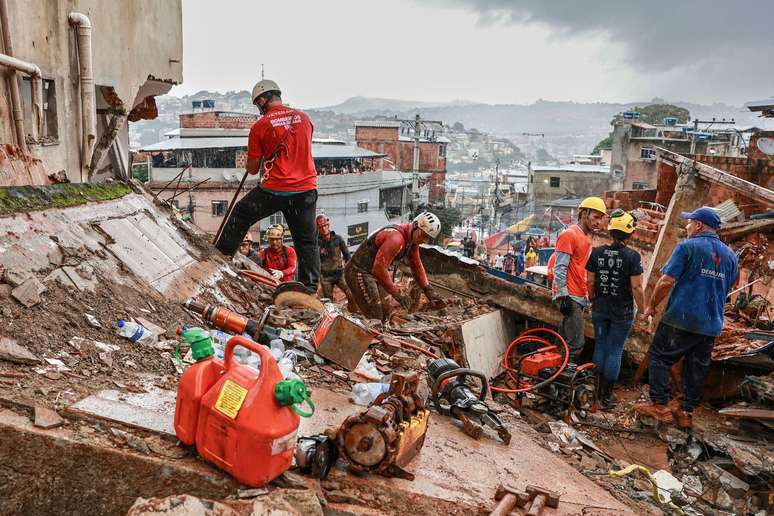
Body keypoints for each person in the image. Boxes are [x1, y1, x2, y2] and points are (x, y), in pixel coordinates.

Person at [636, 207, 738, 428]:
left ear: (699, 225)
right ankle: (686, 412)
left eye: (690, 222)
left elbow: (666, 281)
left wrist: (651, 305)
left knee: (659, 357)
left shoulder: (687, 247)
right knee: (696, 368)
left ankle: (660, 405)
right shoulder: (731, 256)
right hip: (711, 324)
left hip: (681, 318)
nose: (688, 226)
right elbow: (728, 286)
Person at [214, 79, 320, 290]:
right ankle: (309, 287)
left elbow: (253, 168)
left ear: (262, 100)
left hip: (276, 189)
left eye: (257, 104)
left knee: (242, 214)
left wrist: (260, 154)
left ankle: (220, 257)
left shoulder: (260, 126)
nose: (259, 108)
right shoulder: (304, 118)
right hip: (305, 189)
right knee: (307, 240)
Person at [586, 210, 644, 409]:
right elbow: (637, 287)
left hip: (600, 308)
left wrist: (593, 299)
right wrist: (643, 310)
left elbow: (590, 281)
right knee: (615, 351)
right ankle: (606, 398)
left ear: (610, 231)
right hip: (622, 312)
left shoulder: (597, 252)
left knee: (600, 346)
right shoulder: (632, 256)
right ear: (630, 233)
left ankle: (595, 394)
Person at [344, 212, 442, 321]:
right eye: (423, 235)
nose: (425, 240)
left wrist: (428, 290)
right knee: (375, 316)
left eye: (428, 238)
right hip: (358, 271)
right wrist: (398, 295)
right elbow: (379, 269)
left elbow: (417, 266)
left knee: (386, 312)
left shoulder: (412, 241)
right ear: (415, 225)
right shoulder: (396, 239)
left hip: (373, 273)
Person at [551, 196, 608, 361]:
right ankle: (561, 374)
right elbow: (559, 267)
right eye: (595, 217)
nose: (598, 222)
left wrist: (587, 296)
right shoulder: (569, 235)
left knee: (563, 341)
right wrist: (563, 295)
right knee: (576, 344)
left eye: (601, 218)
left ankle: (552, 370)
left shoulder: (586, 237)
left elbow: (581, 270)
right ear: (584, 213)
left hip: (578, 296)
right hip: (570, 296)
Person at [316, 214, 352, 302]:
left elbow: (347, 255)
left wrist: (348, 270)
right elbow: (314, 261)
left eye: (325, 226)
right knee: (328, 302)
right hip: (325, 277)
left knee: (351, 293)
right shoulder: (316, 243)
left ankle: (353, 308)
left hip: (340, 274)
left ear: (328, 225)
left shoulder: (338, 239)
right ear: (317, 229)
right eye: (321, 227)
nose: (324, 229)